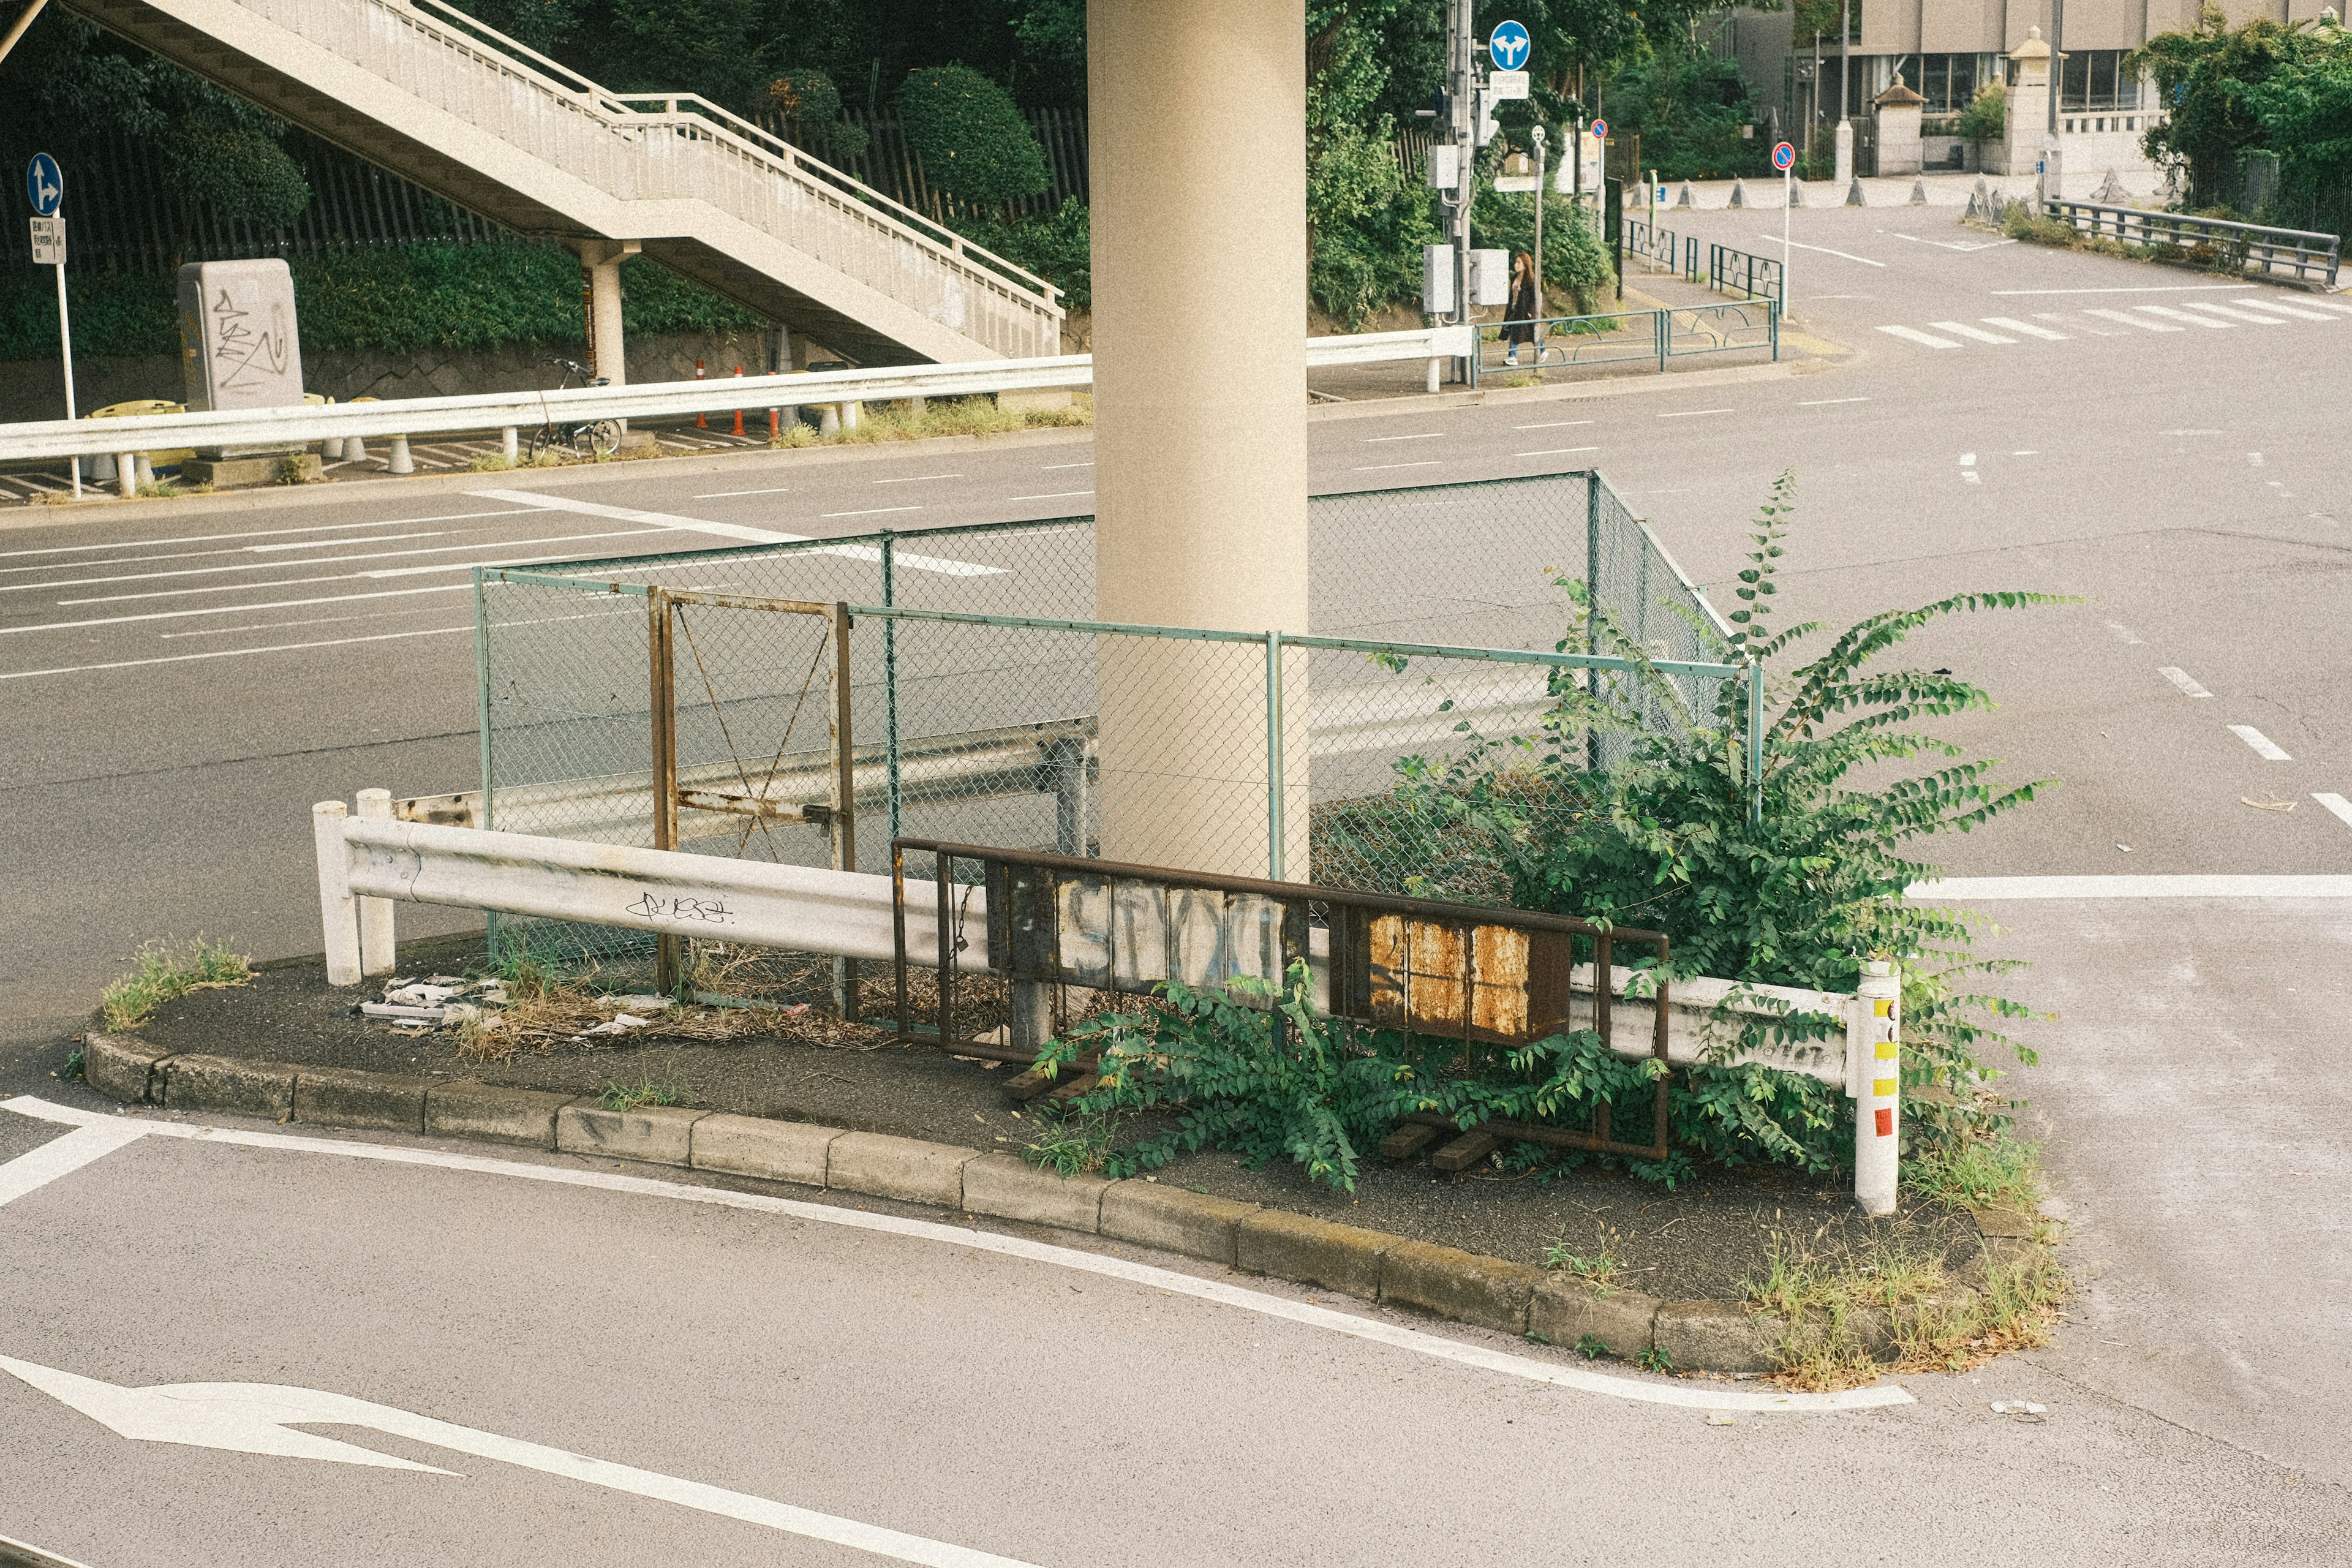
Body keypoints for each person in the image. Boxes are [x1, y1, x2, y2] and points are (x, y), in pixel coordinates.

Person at [1503, 251, 1540, 365]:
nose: (1516, 265)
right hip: (1515, 309)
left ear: (1525, 264)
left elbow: (1535, 297)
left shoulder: (1531, 279)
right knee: (1518, 330)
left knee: (1525, 331)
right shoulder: (1515, 277)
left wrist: (1531, 311)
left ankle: (1513, 356)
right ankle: (1543, 350)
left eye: (1519, 262)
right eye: (1516, 262)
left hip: (1525, 310)